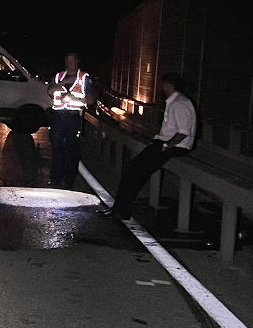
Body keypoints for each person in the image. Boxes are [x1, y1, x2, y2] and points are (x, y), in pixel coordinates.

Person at [97, 72, 197, 220]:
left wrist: (166, 146)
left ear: (169, 85)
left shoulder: (179, 104)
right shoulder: (176, 102)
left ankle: (121, 210)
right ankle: (120, 208)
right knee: (133, 169)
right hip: (166, 144)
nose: (161, 87)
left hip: (173, 146)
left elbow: (183, 132)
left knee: (133, 171)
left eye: (162, 84)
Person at [47, 52, 94, 188]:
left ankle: (69, 180)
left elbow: (91, 99)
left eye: (73, 60)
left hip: (74, 117)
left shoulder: (84, 78)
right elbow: (49, 91)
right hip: (58, 117)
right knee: (56, 147)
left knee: (72, 149)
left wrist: (73, 98)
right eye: (67, 60)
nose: (70, 63)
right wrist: (63, 83)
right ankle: (55, 178)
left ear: (78, 61)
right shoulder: (59, 76)